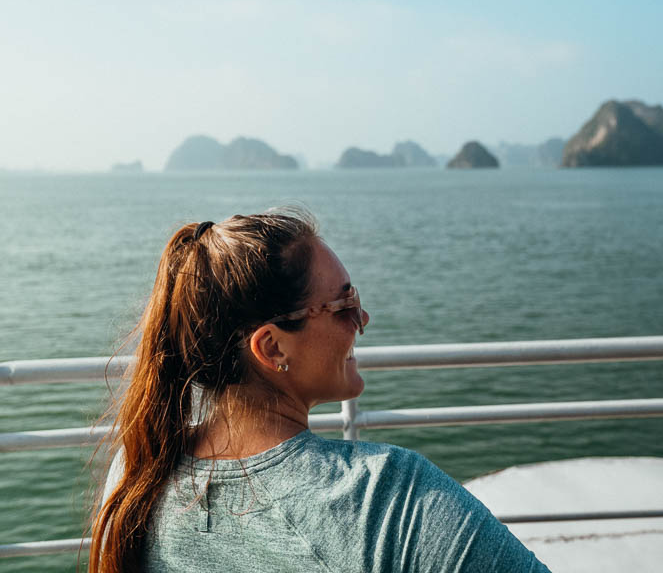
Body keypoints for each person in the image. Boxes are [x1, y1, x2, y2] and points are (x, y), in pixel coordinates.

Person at [90, 207, 551, 572]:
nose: (362, 319)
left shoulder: (137, 469)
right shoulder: (388, 498)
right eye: (345, 304)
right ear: (271, 347)